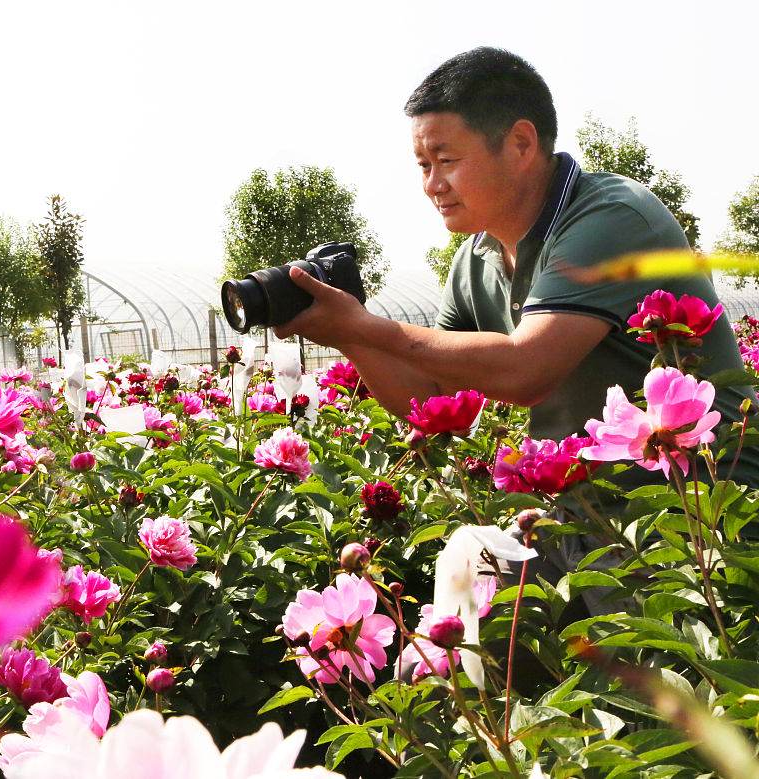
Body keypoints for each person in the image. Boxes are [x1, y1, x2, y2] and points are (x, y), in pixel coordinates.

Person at [273, 46, 759, 487]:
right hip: (588, 510)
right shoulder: (474, 260)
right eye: (423, 165)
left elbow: (527, 369)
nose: (432, 185)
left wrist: (368, 327)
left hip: (706, 505)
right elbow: (434, 396)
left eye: (446, 160)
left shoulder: (612, 217)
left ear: (522, 144)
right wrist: (346, 333)